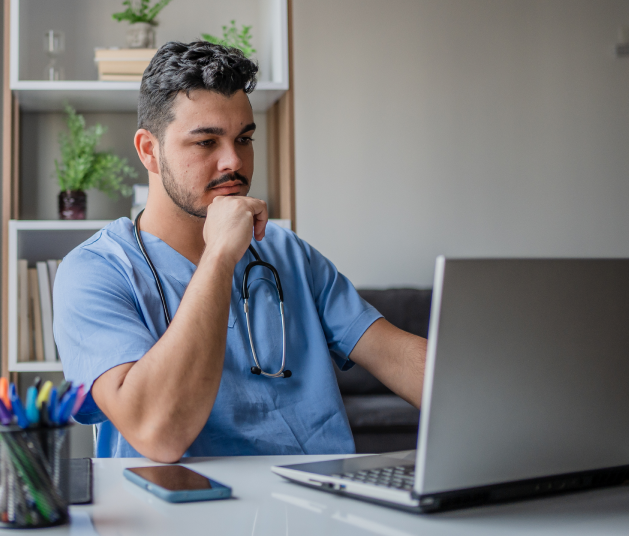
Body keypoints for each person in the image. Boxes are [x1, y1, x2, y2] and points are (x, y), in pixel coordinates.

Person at [53, 41, 426, 462]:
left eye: (244, 139)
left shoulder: (286, 252)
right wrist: (219, 257)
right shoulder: (93, 271)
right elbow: (157, 433)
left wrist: (489, 395)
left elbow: (395, 356)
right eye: (206, 142)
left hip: (314, 506)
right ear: (148, 151)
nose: (234, 161)